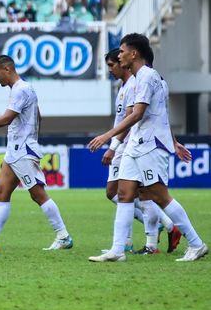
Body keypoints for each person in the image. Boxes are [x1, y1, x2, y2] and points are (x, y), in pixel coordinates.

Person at [87, 33, 206, 262]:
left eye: (121, 51)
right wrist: (173, 141)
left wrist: (107, 136)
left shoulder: (147, 77)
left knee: (158, 195)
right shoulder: (142, 77)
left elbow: (138, 113)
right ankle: (118, 250)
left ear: (134, 53)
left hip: (150, 145)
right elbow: (160, 114)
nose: (119, 55)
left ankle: (196, 243)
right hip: (137, 144)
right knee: (124, 193)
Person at [0, 55, 73, 252]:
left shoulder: (21, 89)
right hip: (15, 150)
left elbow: (7, 118)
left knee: (38, 194)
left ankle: (63, 235)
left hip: (22, 151)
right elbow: (38, 115)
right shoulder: (23, 89)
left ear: (7, 69)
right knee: (1, 192)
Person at [100, 49, 181, 255]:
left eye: (113, 64)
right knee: (128, 194)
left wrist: (112, 145)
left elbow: (134, 118)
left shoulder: (139, 84)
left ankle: (160, 235)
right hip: (133, 144)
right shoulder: (128, 85)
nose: (111, 68)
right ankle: (138, 240)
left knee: (141, 194)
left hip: (133, 144)